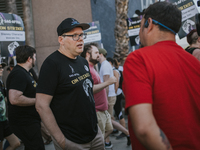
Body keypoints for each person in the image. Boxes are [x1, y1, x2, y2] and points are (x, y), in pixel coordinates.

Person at [123, 2, 200, 150]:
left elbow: (144, 128)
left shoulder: (138, 59)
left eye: (140, 25)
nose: (139, 32)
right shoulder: (194, 62)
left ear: (149, 23)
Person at [35, 18, 104, 150]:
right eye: (74, 36)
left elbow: (87, 92)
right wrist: (61, 140)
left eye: (81, 35)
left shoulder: (83, 62)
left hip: (95, 135)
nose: (80, 39)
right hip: (71, 140)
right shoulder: (52, 64)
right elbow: (41, 105)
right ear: (61, 40)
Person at [6, 45, 45, 150]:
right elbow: (14, 99)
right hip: (24, 122)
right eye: (34, 57)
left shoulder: (26, 73)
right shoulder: (18, 74)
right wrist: (37, 100)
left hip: (30, 121)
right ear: (29, 58)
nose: (35, 59)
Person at [81, 43, 116, 148]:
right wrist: (108, 82)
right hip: (97, 110)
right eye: (96, 52)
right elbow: (89, 89)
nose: (98, 55)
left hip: (103, 109)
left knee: (109, 130)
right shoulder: (86, 69)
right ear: (88, 54)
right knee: (99, 141)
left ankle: (94, 144)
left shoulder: (92, 67)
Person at [0, 61, 20, 150]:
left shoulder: (1, 82)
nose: (2, 70)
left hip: (3, 119)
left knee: (16, 143)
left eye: (1, 67)